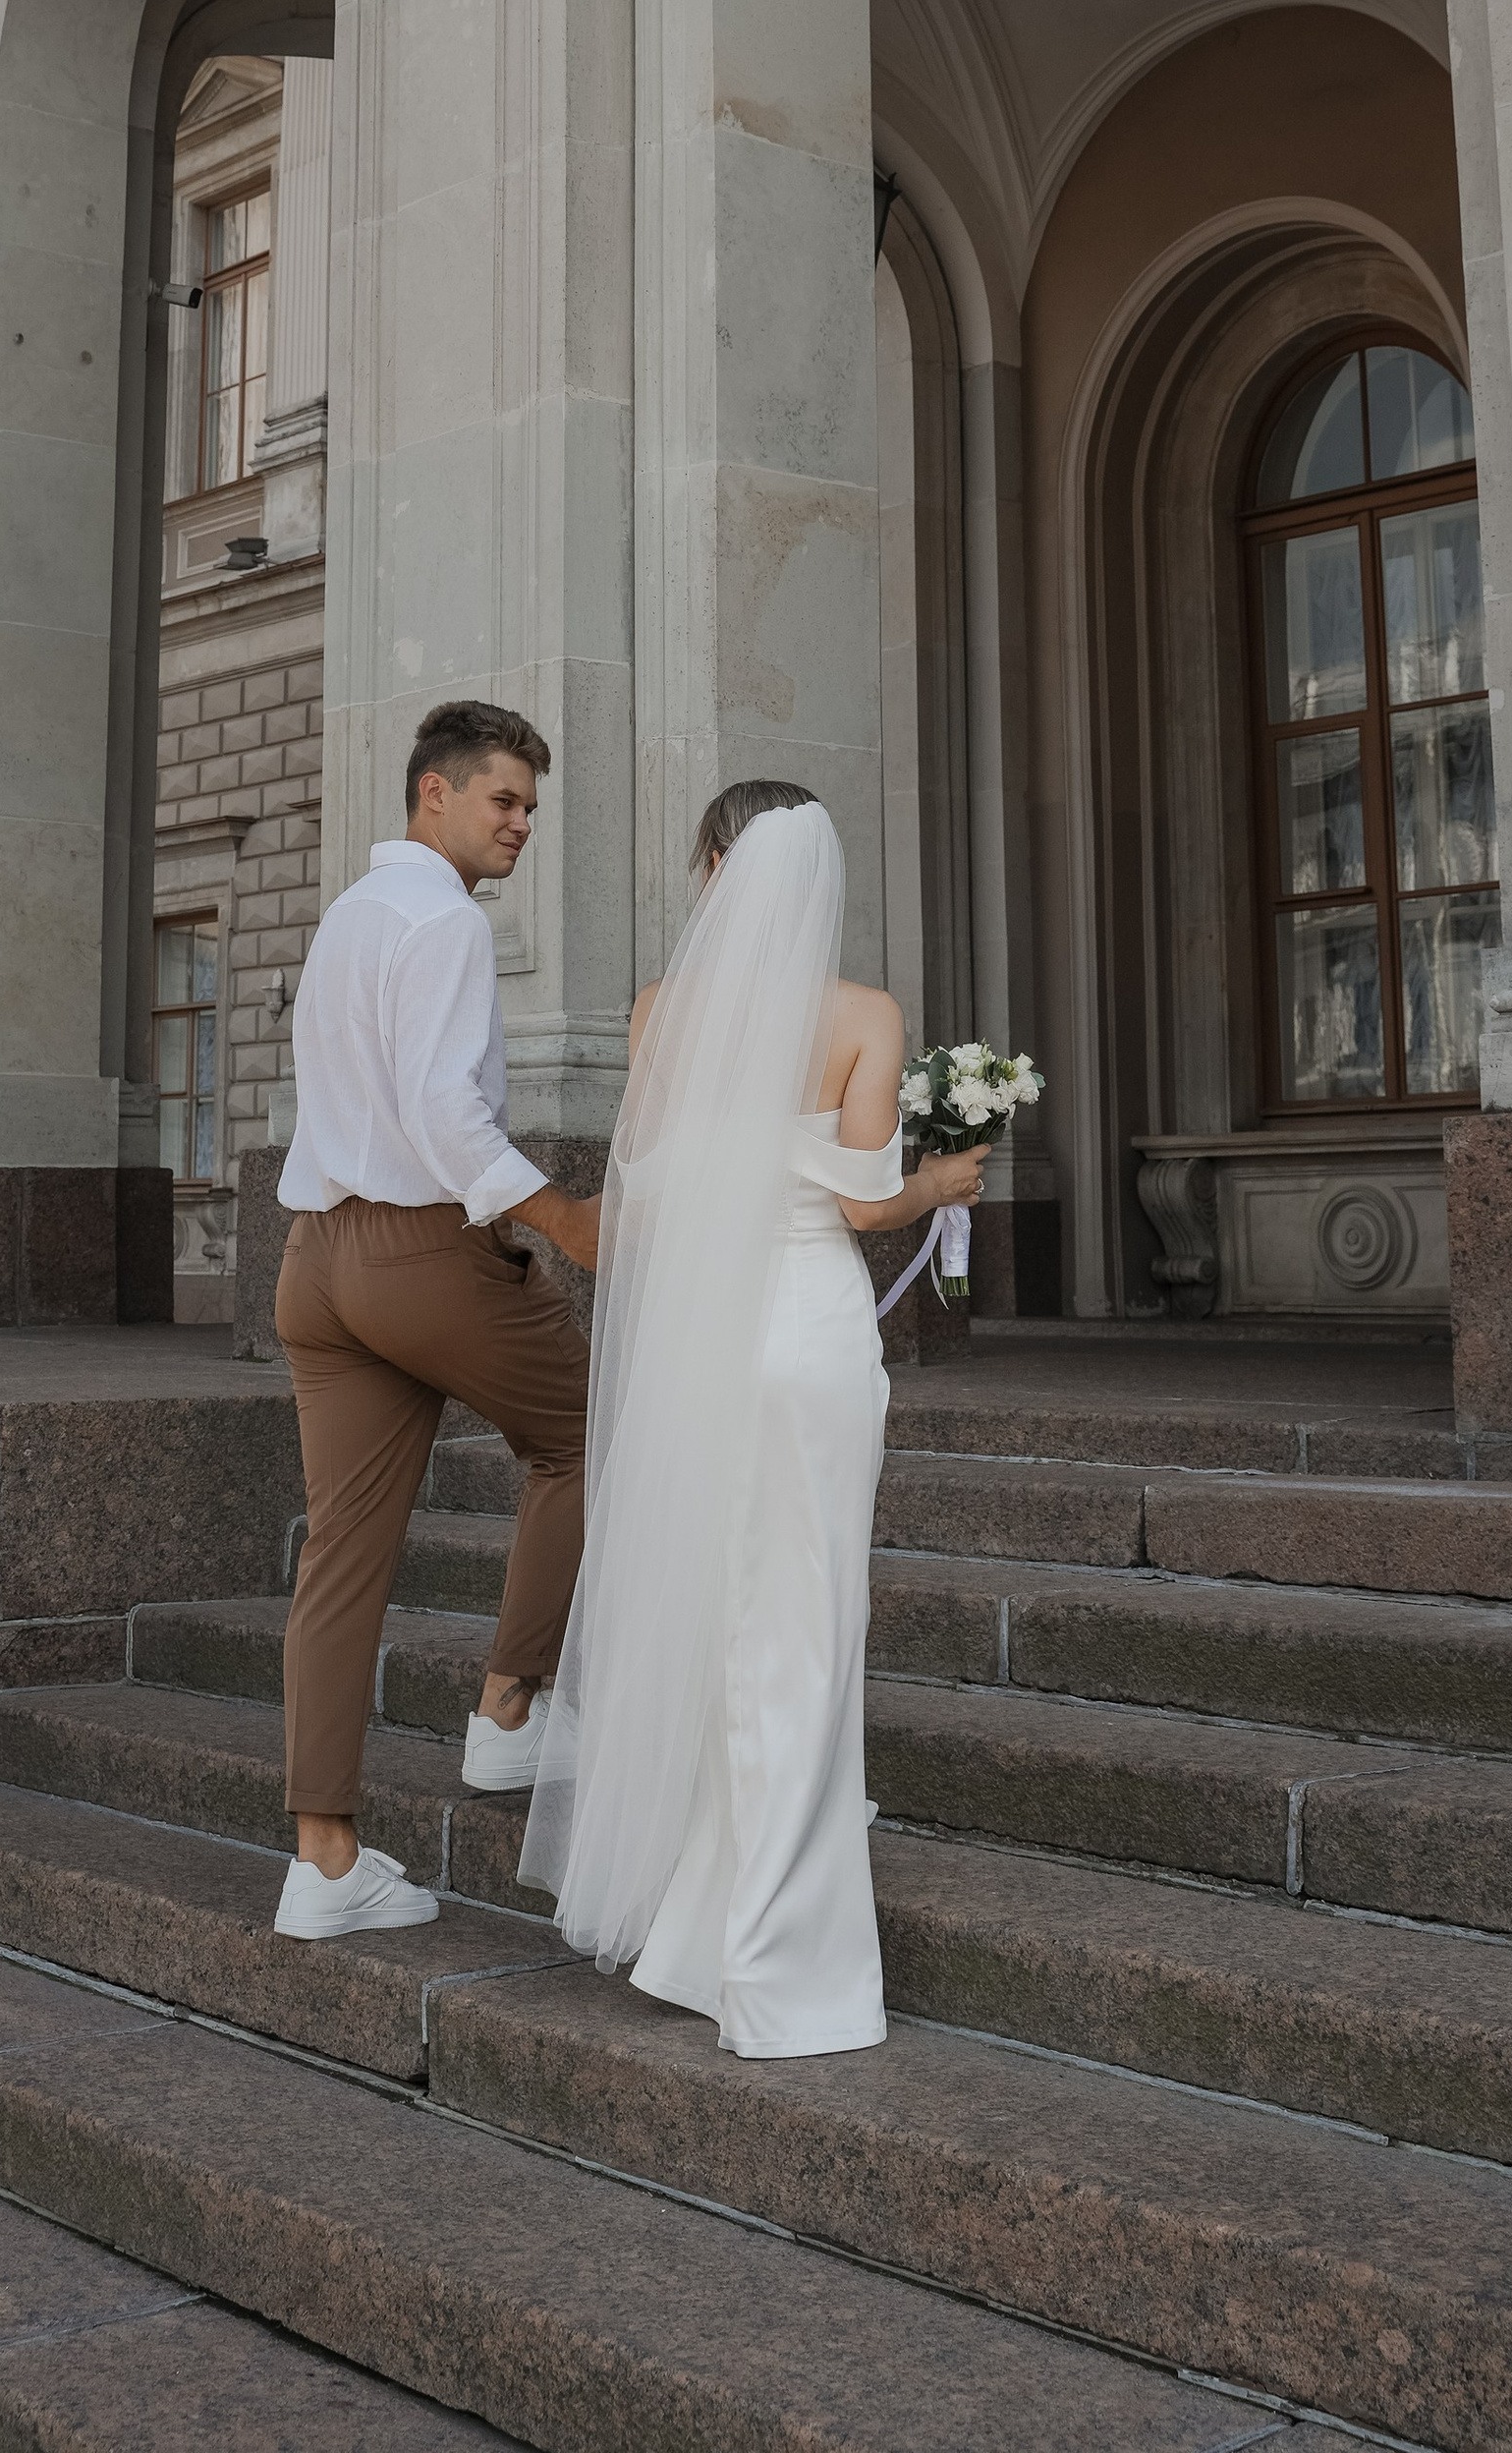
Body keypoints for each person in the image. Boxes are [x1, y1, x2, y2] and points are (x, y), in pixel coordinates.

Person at [521, 779, 986, 2058]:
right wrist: (943, 1176)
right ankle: (787, 1966)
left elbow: (657, 1188)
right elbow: (868, 1202)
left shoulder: (664, 1013)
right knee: (813, 1630)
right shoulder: (868, 1017)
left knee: (737, 1622)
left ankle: (712, 1937)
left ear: (716, 863)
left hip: (718, 1339)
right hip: (819, 1340)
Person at [270, 699, 600, 1942]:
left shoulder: (350, 916)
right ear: (435, 795)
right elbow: (442, 1109)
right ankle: (510, 1714)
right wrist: (564, 1220)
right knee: (593, 1435)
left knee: (341, 1555)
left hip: (315, 1263)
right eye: (502, 801)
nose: (520, 826)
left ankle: (325, 1860)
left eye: (528, 807)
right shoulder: (446, 922)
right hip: (417, 1251)